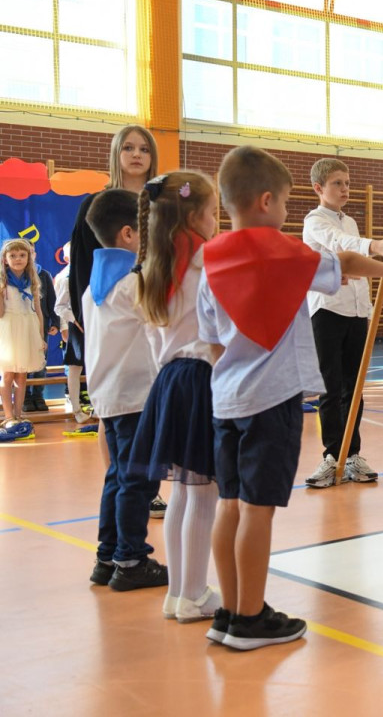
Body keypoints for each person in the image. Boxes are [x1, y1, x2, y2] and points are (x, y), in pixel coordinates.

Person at [197, 146, 383, 650]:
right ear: (267, 201)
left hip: (226, 400)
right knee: (259, 509)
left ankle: (229, 612)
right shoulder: (286, 253)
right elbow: (346, 261)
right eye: (284, 202)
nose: (285, 212)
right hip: (270, 402)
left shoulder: (209, 259)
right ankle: (251, 618)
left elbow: (211, 342)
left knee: (229, 504)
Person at [130, 171, 223, 622]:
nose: (216, 221)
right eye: (213, 213)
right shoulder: (206, 262)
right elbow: (220, 327)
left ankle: (178, 593)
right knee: (204, 493)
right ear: (194, 216)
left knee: (183, 492)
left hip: (169, 381)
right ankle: (194, 595)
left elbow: (154, 340)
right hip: (200, 378)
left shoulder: (153, 266)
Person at [69, 124, 167, 517]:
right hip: (111, 315)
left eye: (144, 148)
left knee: (148, 408)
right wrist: (84, 316)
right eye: (128, 147)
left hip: (153, 315)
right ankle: (121, 485)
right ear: (116, 154)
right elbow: (83, 264)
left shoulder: (163, 204)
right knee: (114, 408)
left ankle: (144, 487)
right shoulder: (97, 204)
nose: (136, 154)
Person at [81, 190, 166, 591]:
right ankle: (131, 561)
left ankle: (107, 556)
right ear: (129, 233)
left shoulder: (93, 286)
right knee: (138, 480)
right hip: (135, 396)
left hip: (110, 396)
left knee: (118, 476)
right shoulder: (134, 282)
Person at [302, 158, 383, 488]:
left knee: (354, 388)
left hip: (357, 313)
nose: (345, 189)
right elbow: (339, 247)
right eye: (337, 183)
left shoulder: (352, 222)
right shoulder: (315, 221)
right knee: (330, 388)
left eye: (347, 183)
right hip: (327, 311)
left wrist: (367, 304)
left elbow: (356, 266)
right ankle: (332, 455)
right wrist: (373, 246)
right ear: (319, 188)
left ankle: (352, 453)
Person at [1, 239, 46, 427]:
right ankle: (8, 416)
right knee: (8, 375)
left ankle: (18, 415)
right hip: (9, 329)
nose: (18, 259)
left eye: (22, 255)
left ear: (29, 257)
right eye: (13, 256)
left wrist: (41, 337)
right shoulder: (3, 281)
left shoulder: (32, 280)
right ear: (5, 259)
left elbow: (38, 310)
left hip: (28, 328)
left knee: (22, 375)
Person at [53, 244, 90, 421]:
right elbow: (59, 307)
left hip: (95, 325)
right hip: (77, 326)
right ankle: (76, 409)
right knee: (75, 367)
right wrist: (74, 321)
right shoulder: (65, 278)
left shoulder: (92, 272)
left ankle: (98, 406)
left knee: (97, 365)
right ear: (67, 258)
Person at [23, 257, 56, 413]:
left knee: (41, 362)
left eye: (30, 252)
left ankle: (38, 396)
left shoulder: (44, 274)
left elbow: (52, 300)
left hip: (41, 324)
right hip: (21, 324)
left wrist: (55, 322)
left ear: (34, 254)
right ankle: (25, 397)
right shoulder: (13, 276)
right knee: (22, 362)